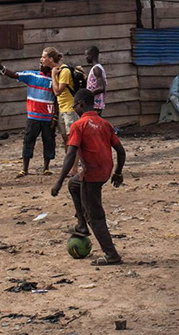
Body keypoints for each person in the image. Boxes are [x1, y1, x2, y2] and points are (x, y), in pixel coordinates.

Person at [50, 89, 126, 266]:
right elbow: (121, 151)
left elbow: (71, 155)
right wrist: (118, 172)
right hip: (105, 171)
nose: (74, 109)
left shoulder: (79, 125)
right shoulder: (104, 123)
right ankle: (81, 224)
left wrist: (58, 181)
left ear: (82, 104)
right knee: (74, 184)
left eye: (74, 106)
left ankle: (112, 255)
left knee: (96, 217)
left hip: (92, 174)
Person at [0, 53, 56, 177]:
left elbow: (57, 99)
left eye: (42, 63)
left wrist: (55, 117)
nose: (40, 65)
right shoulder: (32, 76)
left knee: (49, 141)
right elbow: (14, 75)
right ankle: (25, 169)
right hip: (33, 117)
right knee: (28, 141)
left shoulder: (54, 80)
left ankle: (46, 168)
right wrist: (1, 67)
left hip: (48, 118)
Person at [46, 47, 82, 137]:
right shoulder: (55, 70)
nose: (41, 59)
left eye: (43, 57)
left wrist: (53, 76)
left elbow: (58, 92)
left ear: (50, 59)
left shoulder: (64, 71)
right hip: (61, 108)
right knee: (65, 138)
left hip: (70, 109)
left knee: (73, 138)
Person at [85, 46, 107, 113]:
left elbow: (101, 88)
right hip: (93, 104)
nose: (86, 58)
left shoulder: (97, 69)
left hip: (95, 105)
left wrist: (87, 95)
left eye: (86, 55)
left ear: (91, 56)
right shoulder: (95, 68)